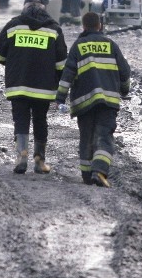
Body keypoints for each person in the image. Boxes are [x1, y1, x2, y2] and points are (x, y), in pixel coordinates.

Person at [0, 0, 68, 174]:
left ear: (25, 6)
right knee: (40, 120)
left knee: (20, 119)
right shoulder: (54, 29)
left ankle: (21, 157)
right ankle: (40, 162)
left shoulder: (13, 25)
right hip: (43, 88)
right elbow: (61, 63)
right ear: (44, 7)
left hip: (18, 84)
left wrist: (13, 62)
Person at [55, 12, 131, 187]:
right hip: (108, 102)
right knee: (104, 136)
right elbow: (125, 72)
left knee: (86, 138)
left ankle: (87, 176)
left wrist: (60, 97)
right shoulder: (111, 45)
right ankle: (100, 170)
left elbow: (67, 75)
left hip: (84, 103)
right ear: (100, 26)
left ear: (84, 27)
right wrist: (124, 90)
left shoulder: (78, 46)